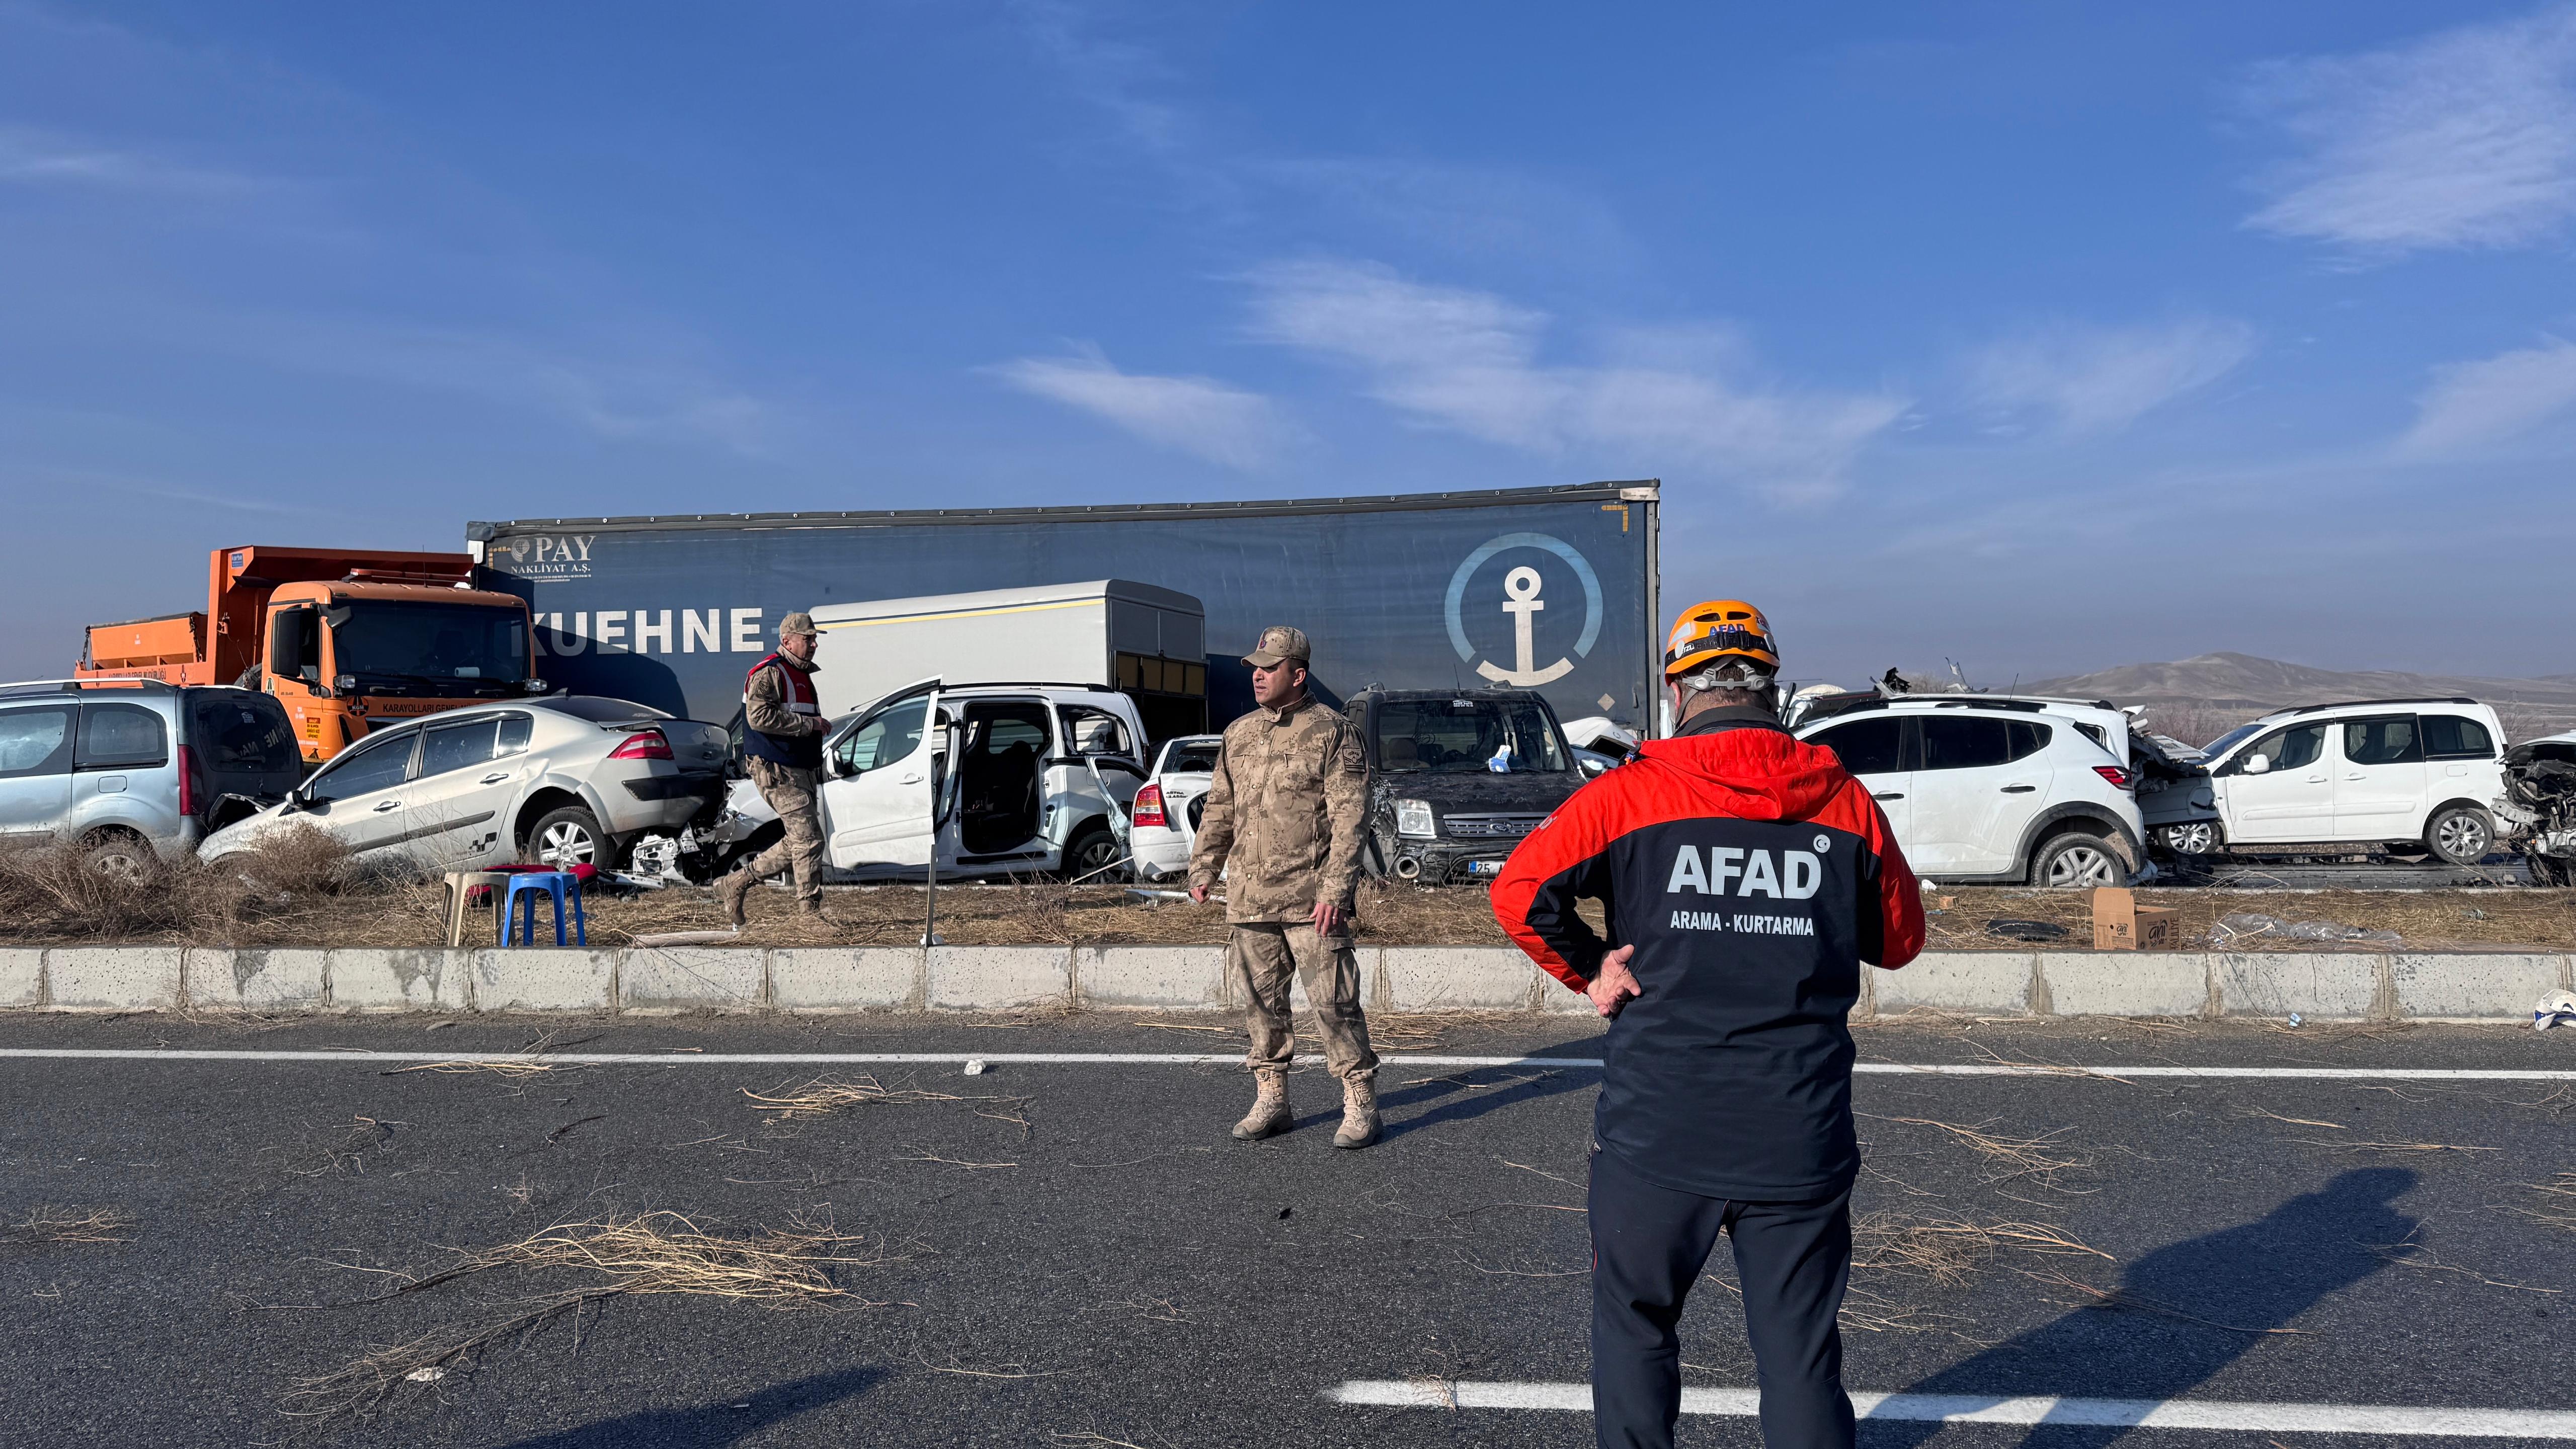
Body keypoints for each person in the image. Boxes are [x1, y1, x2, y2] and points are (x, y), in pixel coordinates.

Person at [1489, 600, 1924, 1449]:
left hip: (1660, 1135)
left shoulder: (1627, 795)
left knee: (1637, 1330)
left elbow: (1518, 892)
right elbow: (1900, 942)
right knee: (1799, 1359)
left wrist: (1591, 968)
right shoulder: (1845, 804)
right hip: (1798, 1136)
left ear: (1678, 691)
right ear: (1772, 687)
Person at [1187, 625, 1381, 1149]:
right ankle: (1272, 1099)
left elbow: (1350, 819)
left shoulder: (1333, 732)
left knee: (1334, 1006)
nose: (1257, 674)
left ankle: (1360, 1102)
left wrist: (1335, 892)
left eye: (1269, 667)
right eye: (1255, 665)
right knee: (1260, 1006)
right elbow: (1220, 808)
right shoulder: (1239, 734)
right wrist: (1204, 868)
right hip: (1250, 899)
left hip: (1311, 902)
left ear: (1297, 674)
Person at [716, 612, 830, 924]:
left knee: (802, 839)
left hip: (798, 770)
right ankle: (810, 914)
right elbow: (759, 718)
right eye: (808, 639)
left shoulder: (802, 675)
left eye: (814, 638)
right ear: (787, 640)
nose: (814, 644)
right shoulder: (769, 673)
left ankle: (734, 883)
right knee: (807, 840)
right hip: (777, 771)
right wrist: (810, 725)